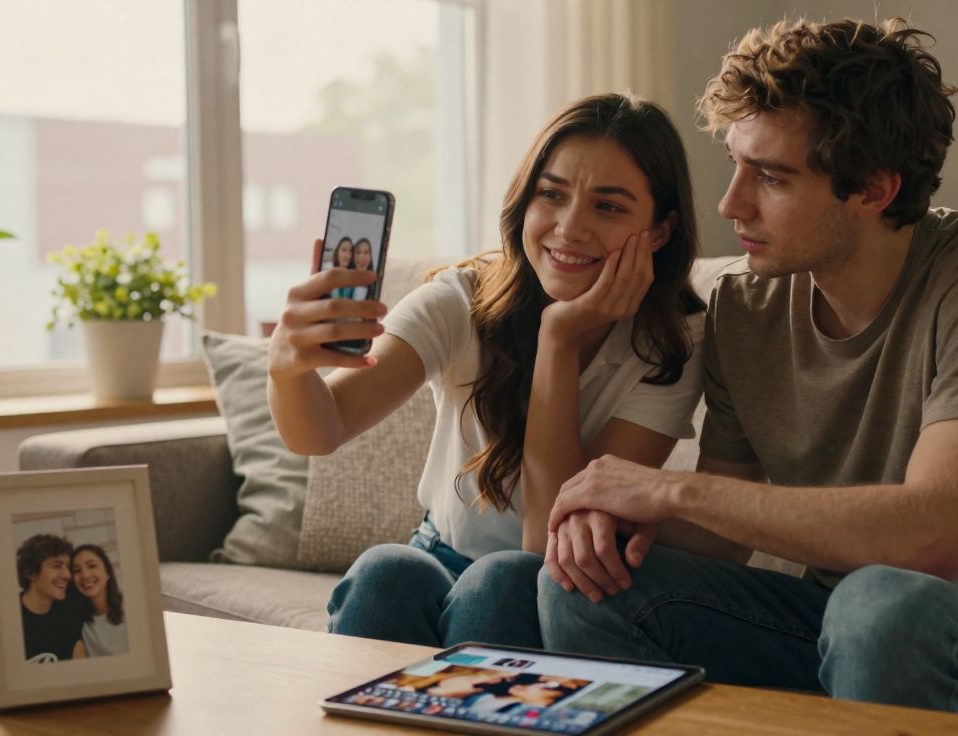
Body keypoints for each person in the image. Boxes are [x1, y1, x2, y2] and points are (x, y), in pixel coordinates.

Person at [534, 17, 958, 717]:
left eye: (771, 177)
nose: (730, 204)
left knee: (882, 601)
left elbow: (933, 537)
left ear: (872, 189)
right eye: (736, 166)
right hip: (828, 616)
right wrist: (602, 525)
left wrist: (667, 492)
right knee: (579, 583)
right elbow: (720, 532)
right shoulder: (746, 309)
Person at [268, 93, 724, 649]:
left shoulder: (672, 343)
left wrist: (558, 337)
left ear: (659, 230)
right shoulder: (461, 300)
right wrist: (287, 368)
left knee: (501, 581)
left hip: (547, 586)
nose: (569, 227)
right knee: (386, 573)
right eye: (550, 195)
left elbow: (542, 539)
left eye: (608, 207)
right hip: (436, 551)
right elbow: (321, 430)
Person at [16, 533, 84, 663]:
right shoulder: (9, 619)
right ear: (30, 573)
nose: (67, 575)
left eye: (68, 567)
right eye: (57, 566)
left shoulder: (69, 612)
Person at [70, 544, 129, 657]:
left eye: (92, 566)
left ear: (108, 573)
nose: (85, 575)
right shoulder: (78, 623)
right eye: (77, 570)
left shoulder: (131, 607)